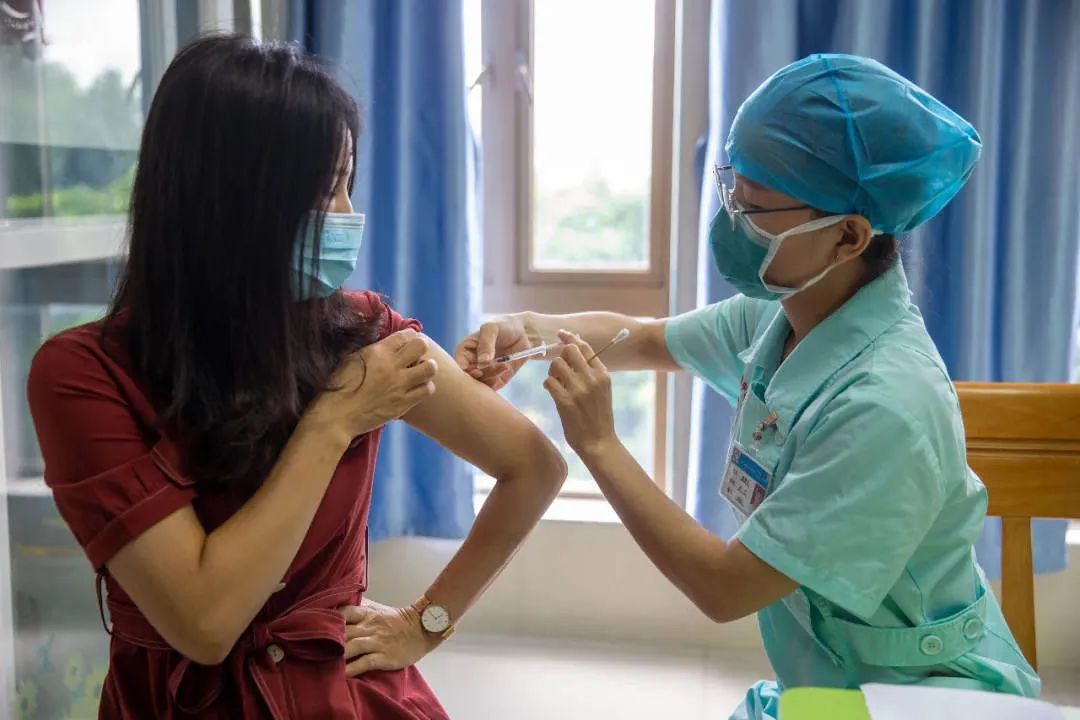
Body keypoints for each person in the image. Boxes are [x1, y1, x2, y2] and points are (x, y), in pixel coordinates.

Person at [456, 54, 1039, 719]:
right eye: (732, 190)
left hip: (930, 700)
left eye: (756, 209)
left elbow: (724, 588)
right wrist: (526, 329)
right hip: (834, 688)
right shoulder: (783, 313)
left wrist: (600, 443)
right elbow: (643, 338)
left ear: (848, 236)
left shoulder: (886, 406)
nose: (732, 220)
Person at [27, 35, 566, 719]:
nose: (345, 216)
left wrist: (426, 623)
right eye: (322, 190)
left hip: (345, 697)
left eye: (347, 181)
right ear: (229, 204)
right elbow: (205, 621)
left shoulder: (366, 333)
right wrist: (336, 419)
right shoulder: (83, 375)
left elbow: (535, 466)